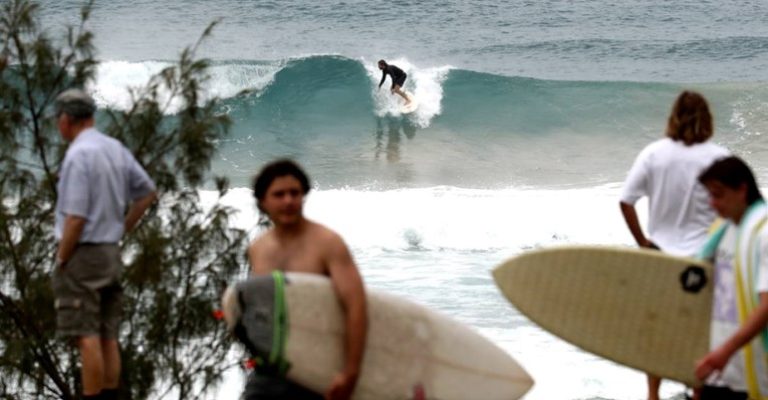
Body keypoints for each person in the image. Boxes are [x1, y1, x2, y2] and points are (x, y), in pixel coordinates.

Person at [619, 90, 729, 400]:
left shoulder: (654, 153)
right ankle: (697, 394)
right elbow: (735, 210)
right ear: (707, 119)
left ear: (673, 117)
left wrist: (643, 242)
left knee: (657, 327)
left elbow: (626, 201)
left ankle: (652, 394)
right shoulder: (718, 158)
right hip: (703, 259)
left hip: (659, 259)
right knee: (698, 330)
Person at [52, 88, 157, 400]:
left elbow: (76, 218)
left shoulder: (78, 155)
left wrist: (62, 258)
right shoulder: (113, 147)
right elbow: (147, 192)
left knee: (87, 336)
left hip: (83, 253)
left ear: (66, 119)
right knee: (108, 335)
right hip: (110, 252)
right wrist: (121, 229)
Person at [244, 159, 368, 400]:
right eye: (279, 194)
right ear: (263, 202)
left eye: (295, 193)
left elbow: (356, 307)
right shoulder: (258, 248)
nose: (288, 200)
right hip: (271, 368)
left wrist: (351, 371)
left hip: (318, 368)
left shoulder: (327, 243)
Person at [695, 156, 768, 400]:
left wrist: (725, 351)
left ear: (742, 189)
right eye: (710, 195)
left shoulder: (763, 232)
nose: (712, 203)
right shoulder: (723, 230)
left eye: (718, 194)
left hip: (753, 374)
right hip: (720, 370)